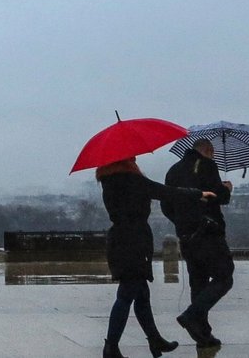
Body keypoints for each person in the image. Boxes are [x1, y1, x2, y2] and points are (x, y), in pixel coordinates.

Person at [97, 157, 216, 358]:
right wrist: (198, 194)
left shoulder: (109, 181)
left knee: (141, 294)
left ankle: (154, 339)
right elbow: (166, 192)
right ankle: (111, 347)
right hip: (134, 241)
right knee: (126, 295)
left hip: (119, 239)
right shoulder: (131, 180)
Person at [161, 138, 234, 347]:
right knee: (224, 277)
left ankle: (203, 335)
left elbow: (167, 204)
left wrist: (183, 222)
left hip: (186, 236)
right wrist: (226, 188)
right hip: (209, 233)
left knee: (198, 282)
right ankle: (191, 316)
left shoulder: (173, 170)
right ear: (208, 150)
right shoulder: (208, 165)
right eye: (212, 152)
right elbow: (218, 197)